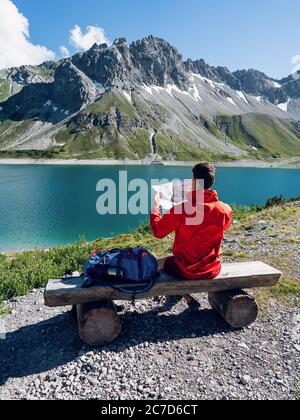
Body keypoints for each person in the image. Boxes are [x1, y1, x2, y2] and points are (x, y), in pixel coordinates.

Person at [150, 163, 233, 280]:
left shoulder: (182, 209)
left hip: (186, 269)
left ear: (194, 182)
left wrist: (155, 207)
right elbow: (223, 226)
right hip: (212, 269)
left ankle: (178, 295)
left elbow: (158, 232)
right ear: (211, 181)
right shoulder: (225, 210)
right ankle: (185, 298)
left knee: (158, 264)